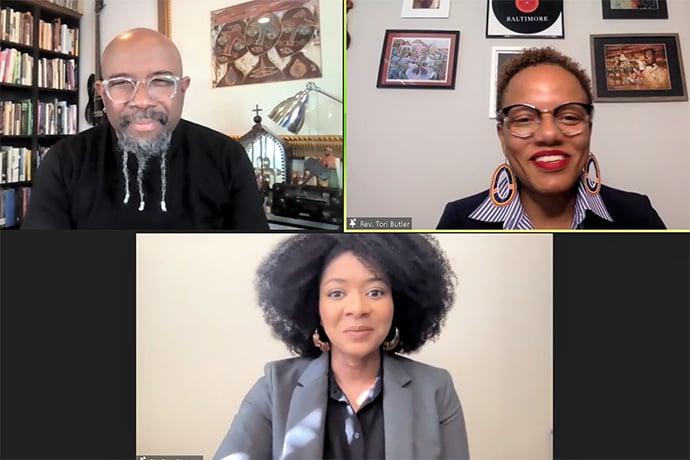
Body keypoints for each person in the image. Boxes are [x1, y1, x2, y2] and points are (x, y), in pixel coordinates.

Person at [214, 234, 470, 460]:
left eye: (375, 292)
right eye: (336, 293)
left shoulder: (436, 388)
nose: (357, 308)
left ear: (398, 302)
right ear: (314, 306)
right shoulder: (274, 389)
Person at [22, 28, 269, 230]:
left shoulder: (228, 157)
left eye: (160, 81)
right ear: (101, 93)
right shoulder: (64, 162)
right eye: (120, 83)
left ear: (183, 88)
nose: (141, 100)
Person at [437, 47, 666, 230]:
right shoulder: (458, 220)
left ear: (589, 130)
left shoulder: (638, 216)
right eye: (524, 119)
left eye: (569, 117)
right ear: (502, 138)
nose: (549, 134)